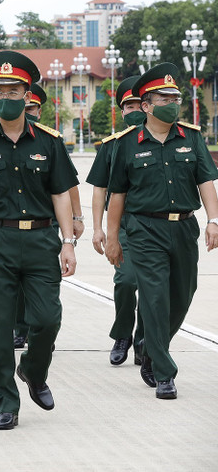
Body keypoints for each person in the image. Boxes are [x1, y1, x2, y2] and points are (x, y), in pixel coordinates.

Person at [0, 50, 78, 431]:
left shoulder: (49, 142)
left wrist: (68, 241)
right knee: (1, 328)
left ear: (27, 94)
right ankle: (6, 402)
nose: (4, 97)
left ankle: (34, 371)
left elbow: (60, 193)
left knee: (47, 319)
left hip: (41, 241)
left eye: (12, 90)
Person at [105, 62, 218, 400]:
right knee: (154, 299)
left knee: (183, 295)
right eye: (164, 98)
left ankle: (153, 349)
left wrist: (213, 220)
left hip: (184, 227)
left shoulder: (191, 137)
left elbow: (206, 181)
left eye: (175, 97)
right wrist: (112, 237)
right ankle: (165, 373)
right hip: (144, 229)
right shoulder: (127, 143)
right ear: (146, 105)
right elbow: (117, 195)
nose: (172, 103)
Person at [12, 84, 86, 349]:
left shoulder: (50, 140)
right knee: (17, 284)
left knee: (42, 281)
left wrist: (77, 217)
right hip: (12, 223)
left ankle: (41, 331)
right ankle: (21, 328)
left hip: (46, 221)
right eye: (25, 108)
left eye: (32, 109)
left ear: (39, 111)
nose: (28, 113)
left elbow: (68, 183)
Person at [87, 76, 146, 366]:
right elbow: (99, 189)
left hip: (154, 225)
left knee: (153, 287)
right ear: (121, 112)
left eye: (139, 104)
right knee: (126, 281)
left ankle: (144, 340)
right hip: (122, 226)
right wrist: (98, 228)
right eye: (129, 106)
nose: (135, 110)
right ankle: (123, 334)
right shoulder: (112, 146)